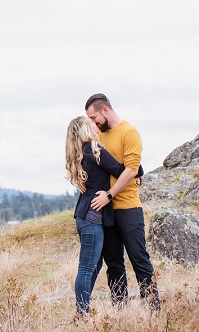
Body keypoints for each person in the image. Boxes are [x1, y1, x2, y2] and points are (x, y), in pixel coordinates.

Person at [85, 93, 160, 309]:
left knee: (139, 260)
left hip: (128, 208)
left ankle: (152, 310)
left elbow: (131, 170)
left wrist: (109, 195)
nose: (92, 122)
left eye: (93, 117)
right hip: (106, 212)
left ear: (105, 110)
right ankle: (120, 311)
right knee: (114, 263)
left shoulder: (129, 132)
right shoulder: (98, 136)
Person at [65, 116, 137, 317]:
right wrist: (138, 169)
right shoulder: (93, 149)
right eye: (91, 124)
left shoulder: (80, 152)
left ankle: (83, 310)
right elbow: (119, 169)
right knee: (88, 268)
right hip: (92, 217)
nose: (95, 124)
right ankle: (82, 313)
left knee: (93, 267)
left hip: (84, 216)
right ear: (85, 130)